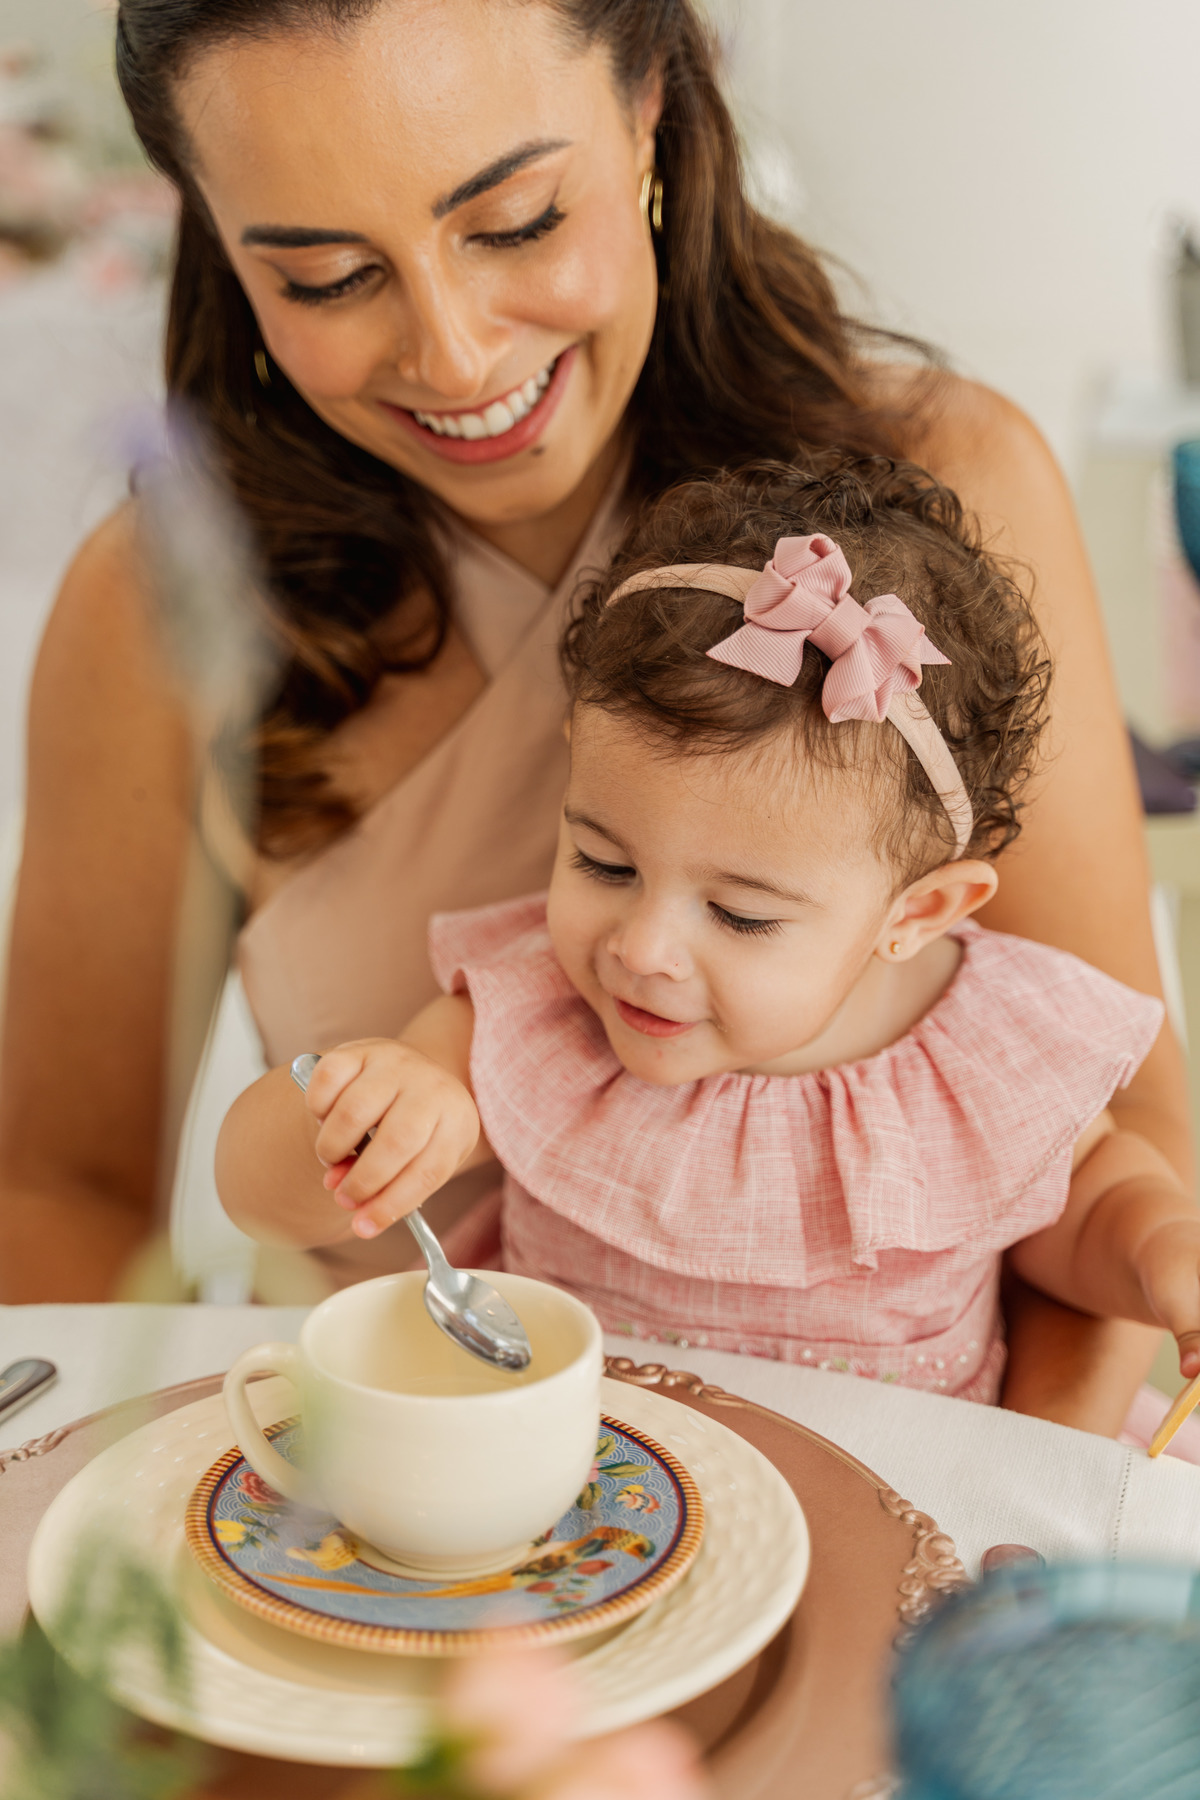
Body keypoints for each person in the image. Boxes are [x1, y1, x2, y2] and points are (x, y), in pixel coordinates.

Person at [0, 0, 1182, 1432]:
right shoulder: (158, 613)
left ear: (650, 116)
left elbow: (1116, 1154)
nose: (451, 356)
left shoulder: (950, 496)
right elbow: (59, 1193)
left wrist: (961, 1553)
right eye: (324, 275)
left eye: (513, 220)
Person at [216, 459, 1200, 1418]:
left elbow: (1087, 1215)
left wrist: (1163, 1252)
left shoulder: (989, 1045)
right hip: (591, 1519)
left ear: (916, 914)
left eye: (741, 916)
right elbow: (262, 1199)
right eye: (604, 862)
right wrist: (361, 1116)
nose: (643, 948)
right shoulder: (539, 1015)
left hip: (901, 1526)